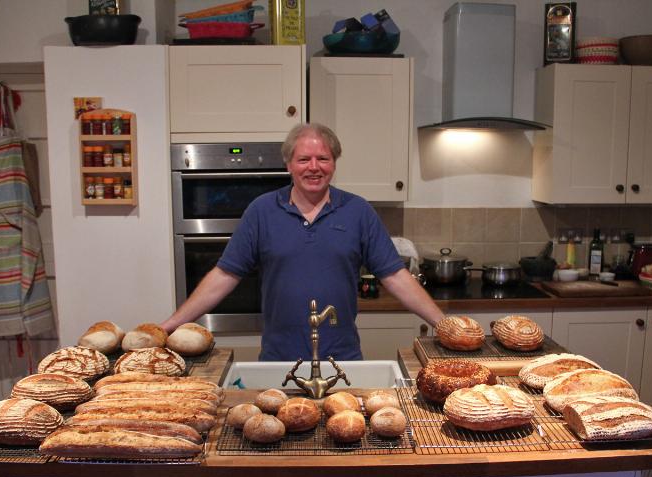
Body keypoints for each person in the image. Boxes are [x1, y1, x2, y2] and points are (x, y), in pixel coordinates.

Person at [161, 123, 444, 361]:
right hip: (278, 360)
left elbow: (395, 275)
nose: (314, 167)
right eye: (304, 159)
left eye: (323, 159)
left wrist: (444, 326)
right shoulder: (262, 211)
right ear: (288, 165)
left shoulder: (358, 211)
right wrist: (170, 325)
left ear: (334, 163)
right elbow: (225, 274)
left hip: (342, 360)